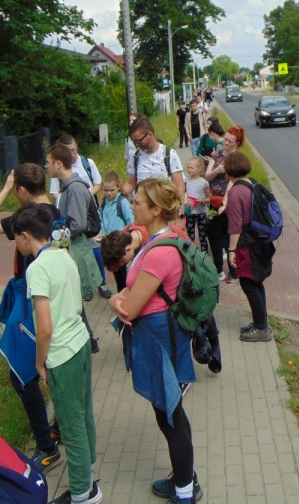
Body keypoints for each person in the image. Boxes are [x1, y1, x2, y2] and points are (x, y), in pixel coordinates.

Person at [108, 178, 203, 504]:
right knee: (171, 412)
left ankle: (185, 492)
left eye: (137, 202)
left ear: (156, 210)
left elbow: (130, 309)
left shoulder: (158, 253)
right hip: (166, 333)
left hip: (159, 338)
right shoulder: (165, 237)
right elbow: (135, 288)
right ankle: (185, 476)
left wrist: (115, 301)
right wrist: (123, 294)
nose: (132, 205)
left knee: (170, 416)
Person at [0, 163, 65, 472]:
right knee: (55, 365)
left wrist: (3, 189)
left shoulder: (25, 218)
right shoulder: (58, 215)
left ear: (21, 190)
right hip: (57, 298)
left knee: (23, 375)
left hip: (32, 301)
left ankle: (46, 448)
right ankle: (60, 426)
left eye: (15, 190)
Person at [11, 204, 102, 504]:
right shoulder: (64, 254)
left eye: (16, 238)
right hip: (80, 342)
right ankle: (87, 474)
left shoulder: (36, 268)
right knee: (84, 413)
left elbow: (45, 328)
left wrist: (40, 363)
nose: (16, 244)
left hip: (61, 353)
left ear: (25, 236)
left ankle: (82, 493)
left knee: (70, 424)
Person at [47, 135, 111, 299]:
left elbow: (77, 225)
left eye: (48, 162)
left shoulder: (74, 188)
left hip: (75, 249)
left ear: (58, 164)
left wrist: (58, 242)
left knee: (75, 300)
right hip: (72, 248)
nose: (46, 166)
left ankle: (101, 284)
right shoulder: (67, 186)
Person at [224, 151, 276, 342]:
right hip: (260, 242)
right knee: (257, 282)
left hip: (246, 245)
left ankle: (262, 328)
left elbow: (235, 226)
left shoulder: (235, 191)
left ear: (229, 169)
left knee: (248, 284)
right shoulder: (252, 184)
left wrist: (231, 251)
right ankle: (261, 322)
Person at [204, 124, 243, 281]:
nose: (226, 143)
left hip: (231, 202)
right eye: (225, 139)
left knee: (231, 235)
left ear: (237, 144)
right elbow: (207, 177)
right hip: (214, 201)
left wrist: (226, 202)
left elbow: (234, 181)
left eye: (230, 141)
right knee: (213, 234)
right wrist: (217, 171)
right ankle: (218, 268)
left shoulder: (238, 159)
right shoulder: (217, 155)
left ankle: (234, 271)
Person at [124, 115, 185, 200]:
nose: (137, 145)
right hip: (143, 206)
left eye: (139, 141)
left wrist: (180, 208)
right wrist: (114, 193)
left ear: (150, 134)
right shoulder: (135, 156)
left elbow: (179, 187)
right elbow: (130, 184)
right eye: (134, 142)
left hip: (165, 206)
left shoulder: (169, 155)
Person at [98, 171, 134, 292]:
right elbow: (102, 220)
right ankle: (121, 294)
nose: (108, 193)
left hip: (121, 245)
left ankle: (127, 296)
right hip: (110, 246)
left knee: (125, 276)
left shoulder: (122, 202)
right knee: (117, 275)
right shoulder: (104, 203)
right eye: (105, 190)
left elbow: (131, 221)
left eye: (112, 190)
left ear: (118, 187)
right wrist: (102, 234)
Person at [184, 156, 210, 253]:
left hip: (201, 212)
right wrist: (185, 199)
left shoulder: (204, 182)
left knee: (203, 234)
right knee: (190, 235)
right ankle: (192, 252)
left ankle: (204, 253)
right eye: (188, 167)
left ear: (199, 169)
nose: (189, 170)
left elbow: (209, 197)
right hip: (190, 212)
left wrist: (203, 201)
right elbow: (182, 194)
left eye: (192, 168)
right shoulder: (185, 181)